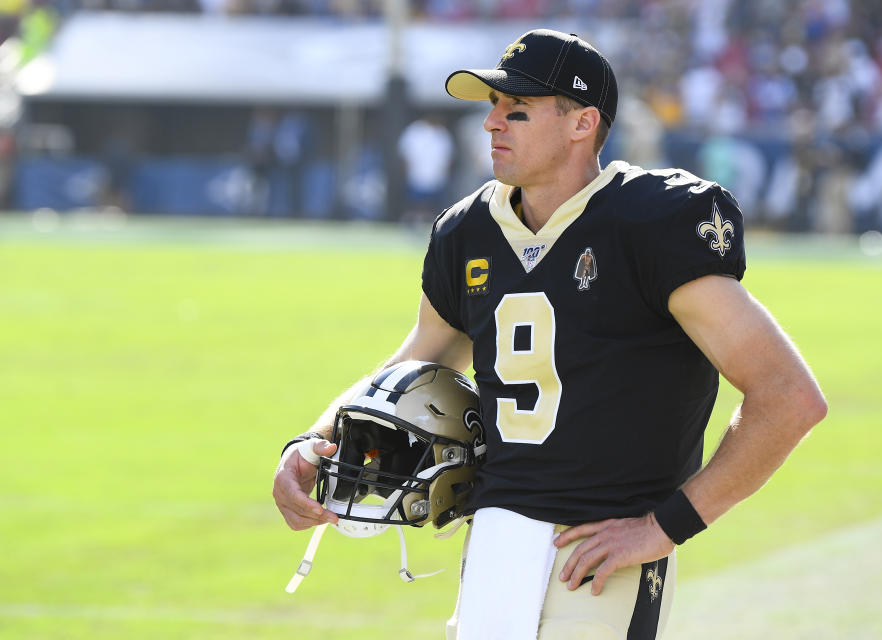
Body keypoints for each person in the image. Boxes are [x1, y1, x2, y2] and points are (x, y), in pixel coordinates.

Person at [273, 28, 827, 640]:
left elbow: (788, 396)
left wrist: (664, 526)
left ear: (581, 122)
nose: (492, 125)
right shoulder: (467, 231)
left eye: (517, 109)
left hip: (599, 551)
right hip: (494, 537)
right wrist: (314, 441)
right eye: (491, 108)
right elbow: (412, 363)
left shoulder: (648, 222)